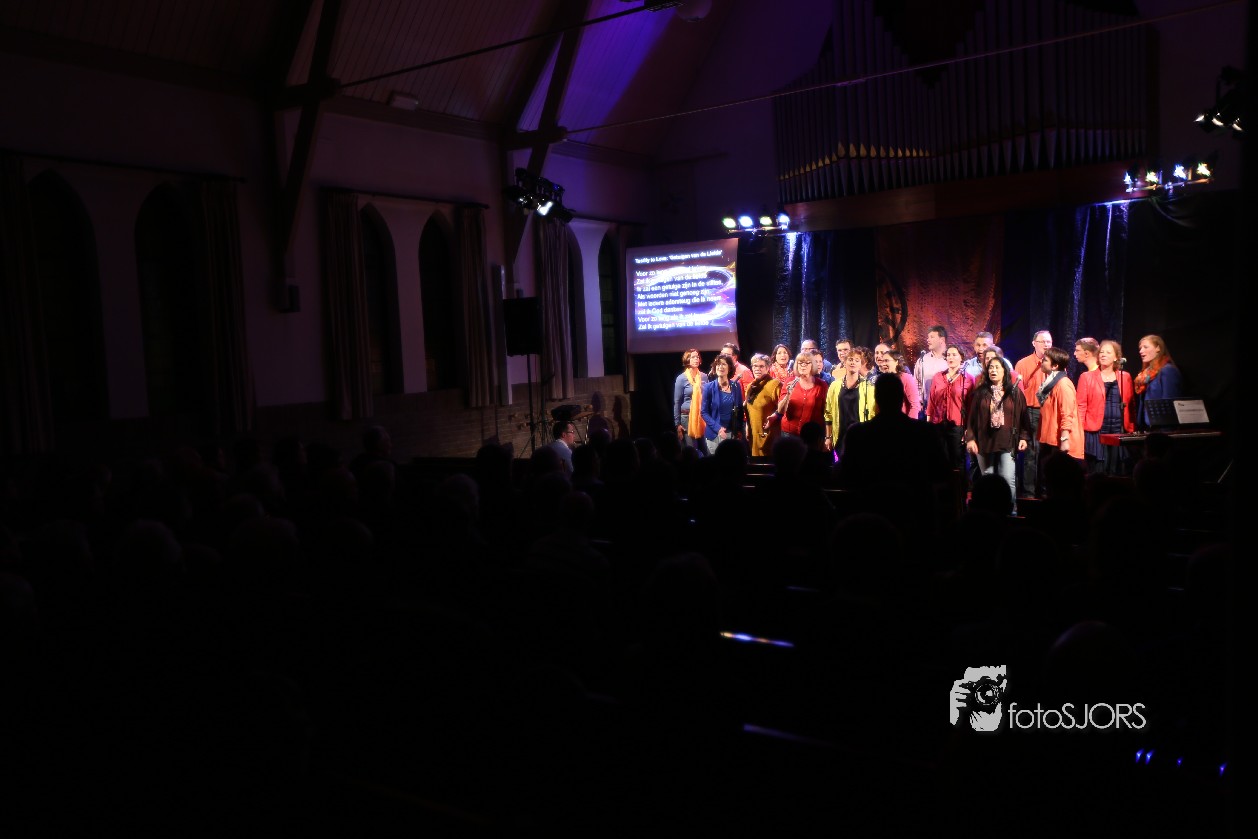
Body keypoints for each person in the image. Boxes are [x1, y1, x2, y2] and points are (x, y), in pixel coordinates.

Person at [839, 373, 950, 490]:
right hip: (915, 499)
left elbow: (845, 476)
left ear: (876, 399)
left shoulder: (857, 434)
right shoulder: (925, 432)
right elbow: (942, 473)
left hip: (870, 500)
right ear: (902, 399)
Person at [964, 356, 1030, 514]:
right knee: (987, 478)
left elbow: (1024, 418)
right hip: (984, 442)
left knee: (1007, 479)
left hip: (1007, 441)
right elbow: (971, 419)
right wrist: (971, 439)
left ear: (1004, 371)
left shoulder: (1014, 392)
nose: (993, 370)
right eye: (991, 367)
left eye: (997, 367)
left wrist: (1023, 437)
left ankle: (1010, 512)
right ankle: (989, 513)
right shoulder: (980, 393)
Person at [1078, 339, 1135, 475]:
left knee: (1117, 469)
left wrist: (1132, 428)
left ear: (1116, 357)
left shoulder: (1125, 377)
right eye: (1101, 352)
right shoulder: (1086, 377)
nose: (1103, 354)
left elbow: (1131, 405)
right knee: (1099, 469)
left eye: (1108, 352)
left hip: (1118, 429)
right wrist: (1079, 432)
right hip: (1096, 430)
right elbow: (1081, 406)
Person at [1014, 330, 1052, 498]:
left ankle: (1044, 490)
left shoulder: (1055, 363)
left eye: (1049, 342)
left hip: (1049, 412)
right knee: (1031, 453)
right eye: (1043, 341)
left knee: (1046, 452)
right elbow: (1018, 391)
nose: (1046, 345)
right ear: (1034, 343)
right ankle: (1029, 492)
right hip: (1031, 411)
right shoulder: (1023, 364)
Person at [1036, 346, 1085, 474]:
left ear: (1055, 366)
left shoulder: (1063, 384)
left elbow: (1067, 414)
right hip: (1050, 440)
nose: (1041, 362)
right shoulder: (1051, 382)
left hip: (1059, 441)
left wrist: (1064, 440)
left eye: (1045, 360)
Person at [926, 344, 973, 471]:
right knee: (940, 459)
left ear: (961, 357)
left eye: (954, 355)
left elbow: (970, 406)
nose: (950, 357)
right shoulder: (938, 376)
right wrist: (928, 423)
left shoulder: (968, 379)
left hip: (957, 425)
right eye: (948, 355)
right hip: (938, 424)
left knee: (957, 459)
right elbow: (931, 400)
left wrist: (968, 428)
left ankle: (958, 483)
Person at [824, 346, 874, 457]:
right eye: (850, 359)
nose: (853, 362)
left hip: (861, 436)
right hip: (840, 435)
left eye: (857, 360)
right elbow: (828, 413)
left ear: (861, 364)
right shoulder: (834, 385)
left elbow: (873, 413)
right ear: (845, 363)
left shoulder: (869, 387)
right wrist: (828, 437)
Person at [768, 352, 828, 438]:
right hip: (789, 433)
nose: (803, 365)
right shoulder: (789, 382)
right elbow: (781, 411)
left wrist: (827, 436)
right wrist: (788, 395)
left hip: (811, 434)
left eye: (807, 363)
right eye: (800, 363)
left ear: (812, 365)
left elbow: (825, 412)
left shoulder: (822, 385)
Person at [1133, 334, 1183, 429]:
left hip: (1162, 428)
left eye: (1145, 347)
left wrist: (1166, 431)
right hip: (1148, 427)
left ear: (1158, 348)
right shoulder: (1146, 373)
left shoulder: (1167, 370)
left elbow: (1169, 405)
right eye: (1140, 348)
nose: (1141, 351)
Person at [700, 354, 745, 455]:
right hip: (714, 435)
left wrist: (738, 429)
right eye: (718, 364)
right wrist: (718, 429)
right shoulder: (708, 387)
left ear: (729, 368)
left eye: (724, 364)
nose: (720, 367)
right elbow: (704, 412)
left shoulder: (736, 386)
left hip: (732, 434)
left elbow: (739, 410)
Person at [744, 353, 782, 458]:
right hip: (753, 434)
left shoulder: (775, 384)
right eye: (755, 366)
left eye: (761, 366)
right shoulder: (750, 387)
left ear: (768, 368)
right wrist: (747, 426)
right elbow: (748, 409)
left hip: (768, 435)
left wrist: (775, 416)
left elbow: (783, 409)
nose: (757, 369)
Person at [673, 348, 707, 453]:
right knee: (692, 450)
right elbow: (677, 402)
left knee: (706, 449)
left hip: (702, 417)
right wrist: (677, 424)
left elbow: (707, 397)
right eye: (693, 357)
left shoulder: (704, 377)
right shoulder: (681, 378)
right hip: (687, 417)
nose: (696, 359)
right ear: (687, 359)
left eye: (697, 357)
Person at [913, 325, 949, 419]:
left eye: (932, 337)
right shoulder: (922, 360)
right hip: (925, 410)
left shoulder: (951, 359)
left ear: (942, 340)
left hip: (946, 410)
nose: (928, 340)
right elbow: (916, 383)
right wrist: (919, 400)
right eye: (928, 337)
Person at [881, 350, 921, 417]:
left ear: (896, 362)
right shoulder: (883, 380)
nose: (883, 364)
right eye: (882, 361)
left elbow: (915, 406)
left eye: (886, 361)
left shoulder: (906, 378)